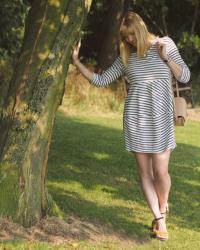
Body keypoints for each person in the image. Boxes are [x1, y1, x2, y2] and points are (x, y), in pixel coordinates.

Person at [72, 11, 190, 241]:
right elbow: (100, 80)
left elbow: (185, 76)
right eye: (126, 37)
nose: (130, 41)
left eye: (132, 35)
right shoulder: (126, 57)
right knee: (145, 172)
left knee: (161, 171)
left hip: (162, 119)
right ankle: (159, 220)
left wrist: (166, 58)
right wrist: (77, 62)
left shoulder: (165, 44)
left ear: (141, 28)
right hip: (136, 119)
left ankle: (162, 208)